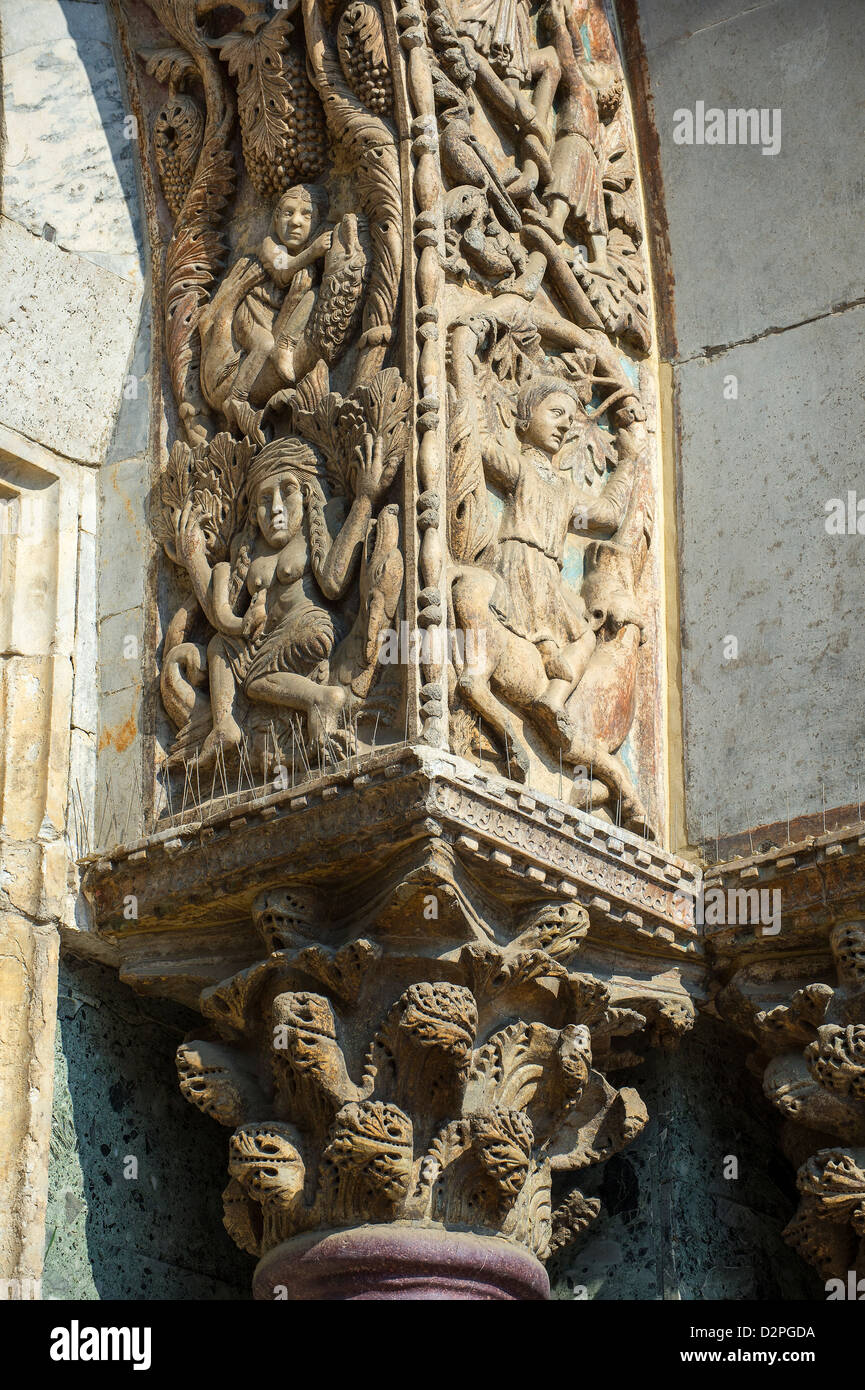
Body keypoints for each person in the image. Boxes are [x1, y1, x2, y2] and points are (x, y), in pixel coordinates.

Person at [481, 375, 634, 732]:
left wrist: (628, 461)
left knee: (584, 636)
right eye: (555, 413)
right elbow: (484, 446)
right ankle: (546, 663)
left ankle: (552, 699)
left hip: (548, 573)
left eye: (569, 419)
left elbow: (609, 514)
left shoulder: (564, 489)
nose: (565, 424)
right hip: (518, 562)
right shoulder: (520, 471)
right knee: (577, 634)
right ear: (526, 417)